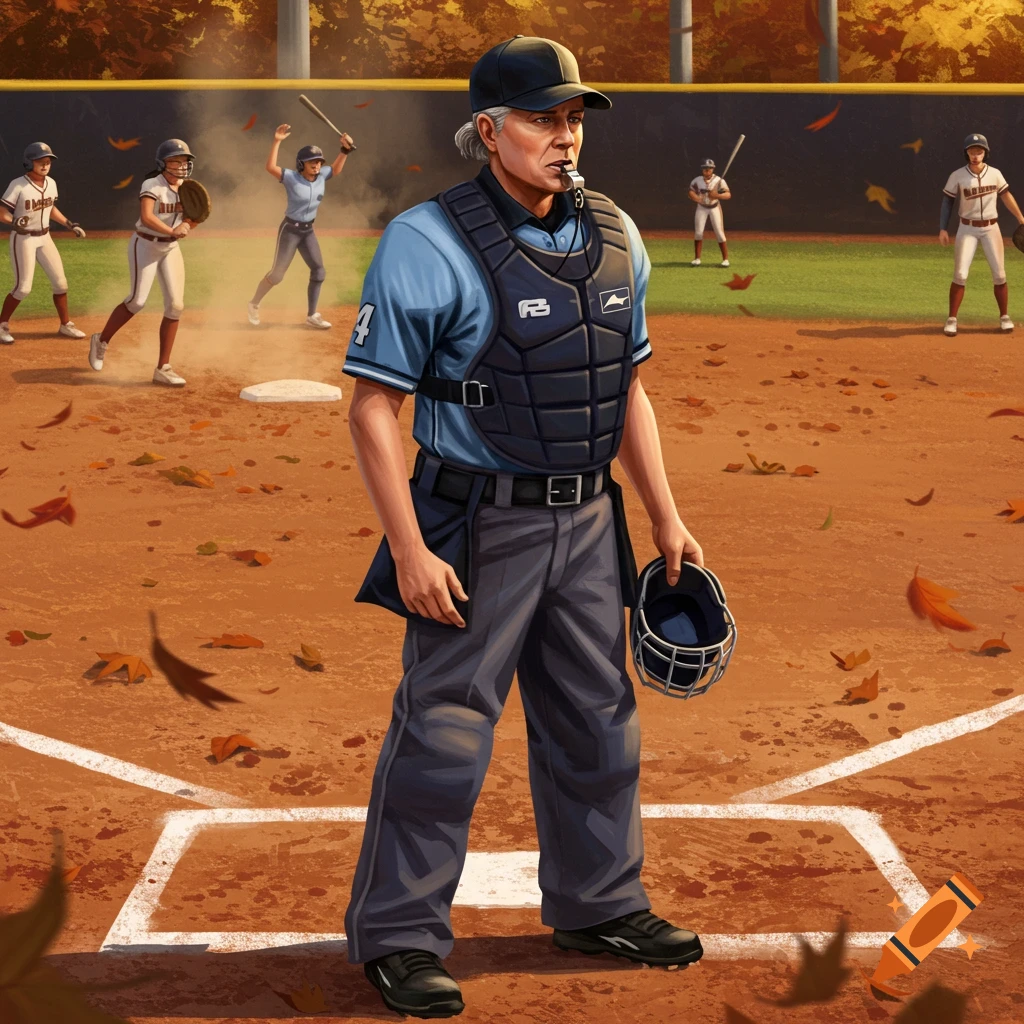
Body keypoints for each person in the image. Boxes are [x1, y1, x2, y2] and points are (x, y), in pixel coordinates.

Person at [341, 34, 707, 1020]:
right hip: (478, 524)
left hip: (591, 521)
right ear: (489, 127)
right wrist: (411, 547)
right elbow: (373, 407)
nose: (564, 135)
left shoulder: (619, 233)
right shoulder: (429, 241)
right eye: (543, 118)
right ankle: (401, 934)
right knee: (446, 733)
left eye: (573, 117)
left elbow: (622, 386)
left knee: (597, 722)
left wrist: (667, 516)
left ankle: (599, 901)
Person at [88, 139, 200, 386]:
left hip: (170, 248)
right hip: (145, 245)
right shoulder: (152, 184)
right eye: (175, 161)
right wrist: (173, 231)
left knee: (176, 305)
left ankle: (163, 367)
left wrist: (187, 225)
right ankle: (101, 340)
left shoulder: (188, 188)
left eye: (184, 161)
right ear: (163, 164)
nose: (182, 166)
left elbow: (198, 214)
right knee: (137, 301)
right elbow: (147, 217)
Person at [246, 125, 355, 330]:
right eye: (311, 162)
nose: (316, 165)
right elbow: (270, 167)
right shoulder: (291, 177)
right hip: (290, 230)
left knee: (319, 271)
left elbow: (336, 169)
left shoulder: (322, 175)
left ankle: (312, 315)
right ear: (301, 164)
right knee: (277, 275)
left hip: (307, 231)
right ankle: (253, 304)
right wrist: (277, 140)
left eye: (318, 161)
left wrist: (345, 151)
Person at [0, 142, 87, 345]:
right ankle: (2, 324)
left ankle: (66, 324)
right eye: (40, 161)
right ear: (28, 163)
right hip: (24, 239)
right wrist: (13, 222)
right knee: (23, 288)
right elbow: (2, 212)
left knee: (61, 283)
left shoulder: (51, 183)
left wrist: (69, 224)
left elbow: (51, 209)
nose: (45, 165)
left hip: (45, 237)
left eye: (48, 161)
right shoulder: (18, 185)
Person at [940, 132, 1024, 337]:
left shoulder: (995, 173)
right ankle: (952, 319)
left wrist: (1021, 219)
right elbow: (947, 202)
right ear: (966, 153)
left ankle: (1004, 317)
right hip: (967, 228)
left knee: (1000, 274)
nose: (975, 155)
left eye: (979, 151)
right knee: (960, 274)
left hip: (990, 229)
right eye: (972, 151)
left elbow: (1006, 196)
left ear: (985, 153)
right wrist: (943, 227)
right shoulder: (957, 175)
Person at [688, 158, 731, 267]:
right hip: (702, 208)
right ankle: (697, 258)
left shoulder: (719, 181)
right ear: (702, 170)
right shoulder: (697, 180)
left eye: (709, 168)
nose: (707, 170)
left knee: (719, 233)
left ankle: (725, 259)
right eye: (705, 169)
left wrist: (717, 195)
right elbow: (691, 192)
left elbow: (728, 194)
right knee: (698, 232)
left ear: (713, 169)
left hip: (714, 207)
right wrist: (698, 199)